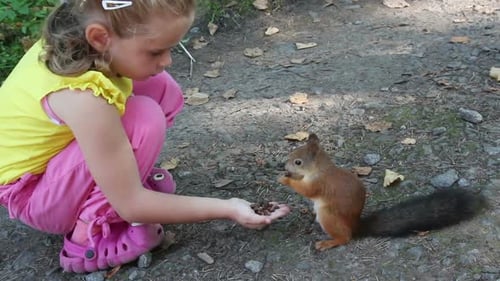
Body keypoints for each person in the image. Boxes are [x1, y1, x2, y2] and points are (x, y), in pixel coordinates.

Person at [0, 0, 290, 273]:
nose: (168, 60)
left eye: (171, 49)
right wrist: (229, 208)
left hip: (56, 172)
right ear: (100, 38)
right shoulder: (83, 99)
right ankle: (87, 232)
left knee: (161, 88)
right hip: (34, 196)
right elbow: (132, 205)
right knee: (144, 119)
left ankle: (113, 183)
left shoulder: (80, 40)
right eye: (155, 51)